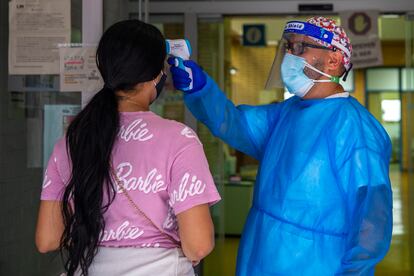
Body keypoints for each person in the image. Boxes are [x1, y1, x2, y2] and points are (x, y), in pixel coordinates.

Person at [168, 16, 392, 275]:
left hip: (317, 264)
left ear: (334, 60)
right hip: (260, 254)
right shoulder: (285, 113)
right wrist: (201, 88)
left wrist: (356, 271)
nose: (290, 55)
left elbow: (372, 216)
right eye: (288, 46)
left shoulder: (356, 128)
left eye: (300, 48)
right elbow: (236, 123)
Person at [35, 19, 221, 276]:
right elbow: (198, 246)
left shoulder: (73, 141)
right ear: (156, 75)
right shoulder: (179, 140)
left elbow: (48, 239)